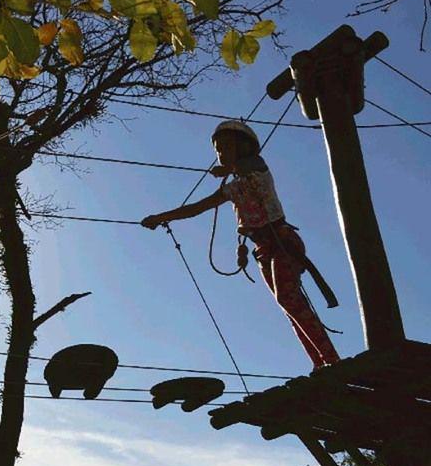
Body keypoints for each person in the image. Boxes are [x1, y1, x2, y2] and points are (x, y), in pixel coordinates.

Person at [140, 120, 340, 369]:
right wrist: (161, 217)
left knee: (289, 299)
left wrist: (228, 168)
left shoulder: (258, 170)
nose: (220, 153)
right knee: (288, 306)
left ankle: (331, 359)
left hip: (282, 242)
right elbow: (196, 208)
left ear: (244, 146)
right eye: (218, 149)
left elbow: (251, 164)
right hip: (263, 250)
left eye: (226, 146)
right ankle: (319, 363)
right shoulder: (233, 189)